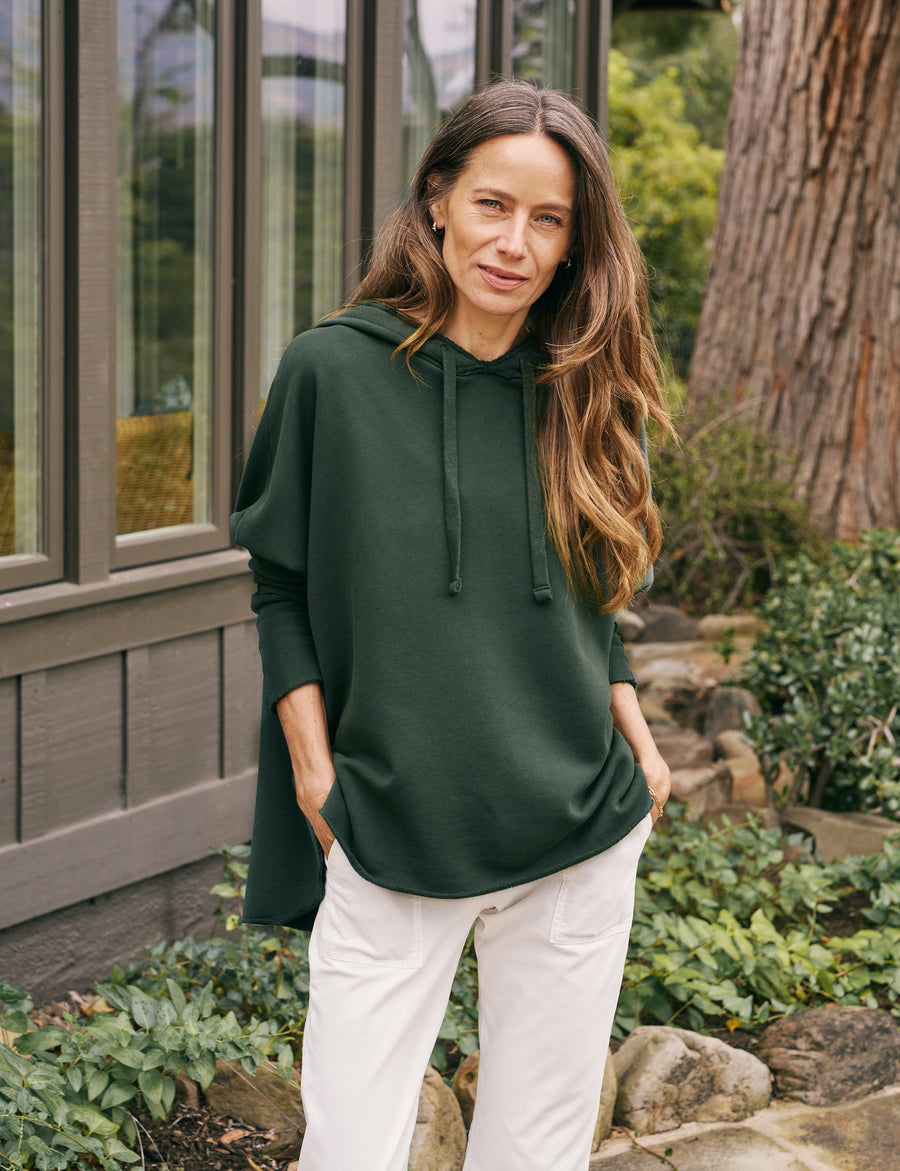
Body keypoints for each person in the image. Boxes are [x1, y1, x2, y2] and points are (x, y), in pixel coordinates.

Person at [231, 78, 673, 1171]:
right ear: (437, 201)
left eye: (548, 219)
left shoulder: (585, 386)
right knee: (350, 1149)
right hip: (391, 819)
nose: (515, 243)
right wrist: (316, 772)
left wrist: (636, 730)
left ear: (574, 242)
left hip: (578, 826)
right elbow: (280, 581)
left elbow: (591, 592)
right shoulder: (330, 371)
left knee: (538, 1150)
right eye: (492, 205)